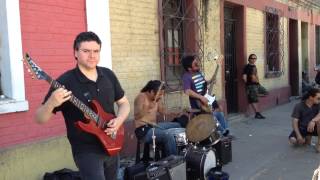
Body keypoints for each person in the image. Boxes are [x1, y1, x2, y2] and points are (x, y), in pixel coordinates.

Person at [34, 31, 130, 180]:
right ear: (76, 53)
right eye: (86, 51)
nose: (92, 55)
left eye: (96, 51)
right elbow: (40, 118)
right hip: (86, 150)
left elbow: (124, 104)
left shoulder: (108, 75)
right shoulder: (64, 82)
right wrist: (51, 102)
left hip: (112, 142)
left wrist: (119, 121)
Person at [181, 55, 229, 136]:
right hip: (198, 103)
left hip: (207, 98)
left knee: (220, 113)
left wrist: (211, 81)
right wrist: (201, 97)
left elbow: (204, 83)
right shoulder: (186, 76)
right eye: (195, 64)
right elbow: (187, 91)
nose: (198, 65)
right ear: (189, 68)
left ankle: (226, 132)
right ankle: (222, 132)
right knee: (211, 115)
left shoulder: (198, 73)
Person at [134, 80, 182, 156]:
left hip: (154, 126)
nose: (161, 96)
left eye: (162, 94)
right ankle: (174, 160)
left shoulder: (156, 99)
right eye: (159, 94)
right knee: (168, 135)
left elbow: (162, 111)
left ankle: (175, 154)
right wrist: (148, 107)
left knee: (178, 125)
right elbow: (137, 116)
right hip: (143, 130)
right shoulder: (141, 97)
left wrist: (175, 112)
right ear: (152, 91)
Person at [288, 88, 320, 152]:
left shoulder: (318, 104)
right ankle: (306, 139)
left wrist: (313, 121)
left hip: (313, 127)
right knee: (293, 140)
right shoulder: (299, 106)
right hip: (302, 128)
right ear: (311, 97)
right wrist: (298, 135)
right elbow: (294, 122)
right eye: (318, 98)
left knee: (319, 121)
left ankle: (318, 144)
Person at [242, 54, 268, 119]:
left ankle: (255, 95)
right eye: (252, 58)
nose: (253, 60)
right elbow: (244, 77)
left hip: (257, 85)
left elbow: (256, 75)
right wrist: (248, 84)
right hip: (251, 85)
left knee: (266, 92)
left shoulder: (254, 66)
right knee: (254, 100)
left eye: (255, 58)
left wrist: (258, 83)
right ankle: (257, 113)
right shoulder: (247, 67)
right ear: (249, 59)